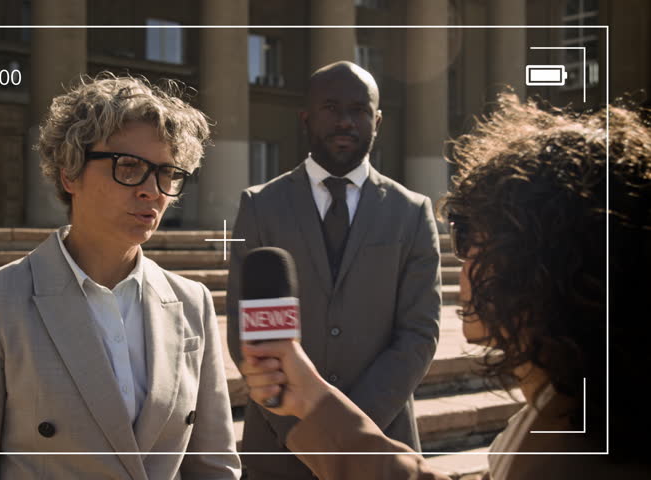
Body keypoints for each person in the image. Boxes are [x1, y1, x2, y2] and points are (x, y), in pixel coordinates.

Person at [239, 94, 651, 479]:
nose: (463, 256)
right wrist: (312, 399)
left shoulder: (581, 452)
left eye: (470, 234)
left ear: (549, 260)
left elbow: (418, 333)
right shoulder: (577, 405)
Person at [0, 73, 241, 480]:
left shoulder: (192, 301)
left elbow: (214, 466)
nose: (152, 190)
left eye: (168, 172)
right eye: (129, 167)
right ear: (70, 174)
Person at [226, 61, 442, 479]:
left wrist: (349, 428)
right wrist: (298, 427)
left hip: (382, 442)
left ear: (378, 121)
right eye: (330, 107)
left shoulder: (412, 212)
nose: (345, 121)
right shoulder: (260, 205)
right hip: (278, 446)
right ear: (306, 117)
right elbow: (245, 329)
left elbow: (419, 332)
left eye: (360, 110)